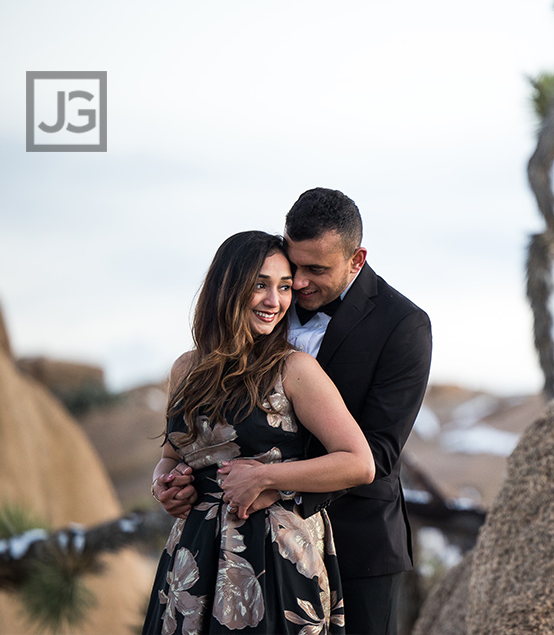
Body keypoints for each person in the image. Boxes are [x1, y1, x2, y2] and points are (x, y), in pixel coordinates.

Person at [161, 189, 433, 635]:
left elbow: (377, 454)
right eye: (292, 268)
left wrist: (275, 484)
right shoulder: (266, 306)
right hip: (228, 546)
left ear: (356, 260)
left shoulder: (403, 326)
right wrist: (170, 481)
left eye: (315, 271)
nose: (298, 285)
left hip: (356, 541)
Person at [143, 230, 375, 635]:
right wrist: (163, 484)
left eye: (284, 288)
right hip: (194, 555)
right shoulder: (185, 369)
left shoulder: (296, 370)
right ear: (226, 286)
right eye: (260, 285)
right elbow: (173, 455)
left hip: (275, 557)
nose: (275, 301)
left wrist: (267, 476)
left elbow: (359, 463)